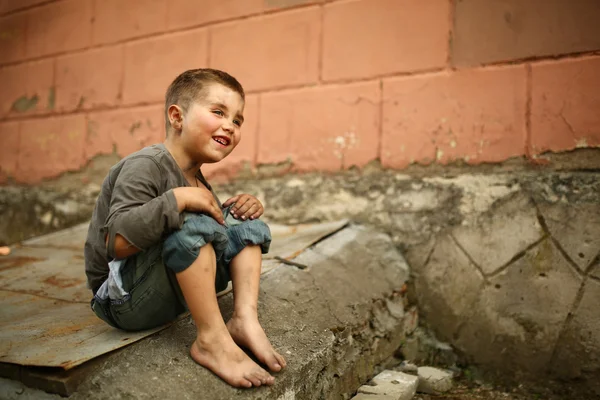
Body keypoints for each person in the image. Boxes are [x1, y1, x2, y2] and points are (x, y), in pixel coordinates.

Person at [84, 68, 286, 388]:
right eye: (218, 112)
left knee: (239, 218)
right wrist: (177, 199)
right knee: (194, 222)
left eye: (237, 120)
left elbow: (211, 235)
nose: (229, 126)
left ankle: (244, 319)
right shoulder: (146, 164)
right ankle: (210, 341)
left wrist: (237, 211)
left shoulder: (198, 179)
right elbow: (115, 242)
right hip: (124, 300)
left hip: (167, 291)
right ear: (177, 117)